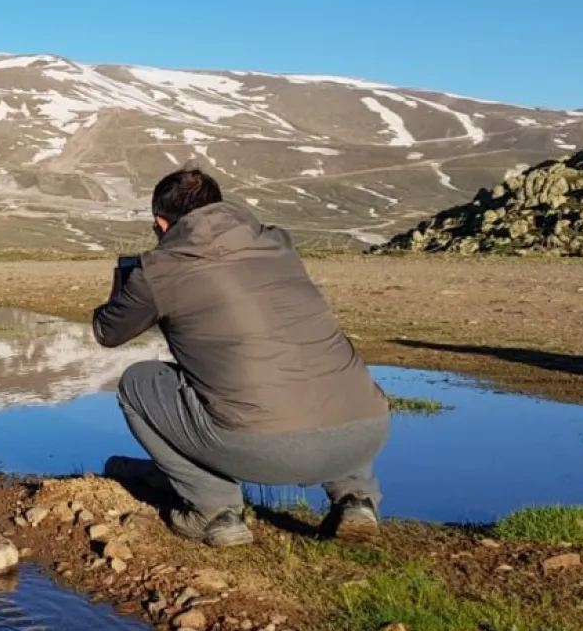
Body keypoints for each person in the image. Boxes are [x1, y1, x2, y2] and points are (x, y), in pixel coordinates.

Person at [91, 168, 390, 547]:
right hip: (366, 432)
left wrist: (126, 287)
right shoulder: (278, 243)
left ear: (161, 224)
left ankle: (214, 510)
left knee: (137, 383)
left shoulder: (159, 269)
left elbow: (108, 332)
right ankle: (356, 499)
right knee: (317, 363)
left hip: (266, 449)